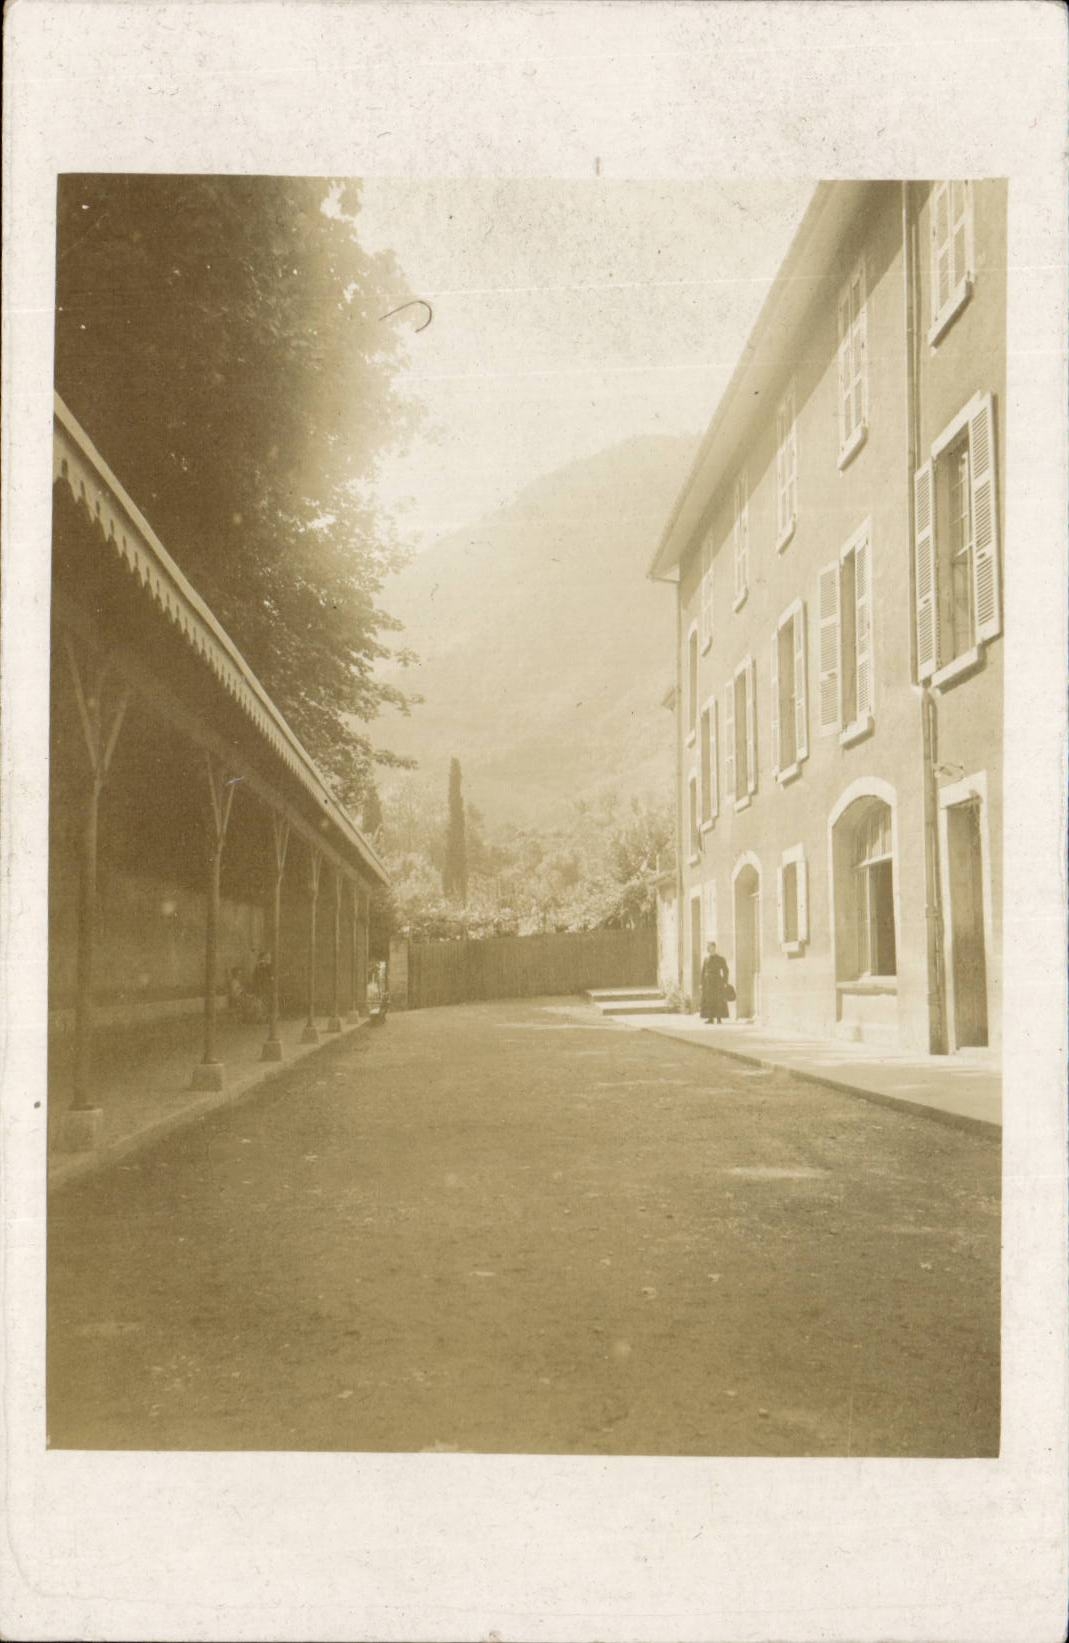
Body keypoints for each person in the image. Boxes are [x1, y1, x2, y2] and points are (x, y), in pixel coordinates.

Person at [700, 940, 731, 1024]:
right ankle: (710, 1018)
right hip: (708, 982)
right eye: (708, 947)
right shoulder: (706, 959)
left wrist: (725, 981)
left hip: (717, 982)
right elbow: (703, 972)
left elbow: (726, 970)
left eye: (710, 947)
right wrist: (701, 983)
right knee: (709, 1000)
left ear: (714, 948)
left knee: (718, 1000)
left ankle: (719, 1018)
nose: (709, 949)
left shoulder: (720, 959)